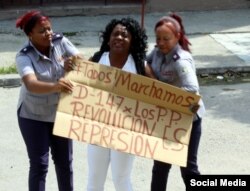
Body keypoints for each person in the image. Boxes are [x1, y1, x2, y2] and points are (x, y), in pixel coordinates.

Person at [15, 10, 80, 191]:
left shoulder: (60, 42)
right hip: (33, 115)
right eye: (42, 31)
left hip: (61, 113)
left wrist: (74, 62)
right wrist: (56, 86)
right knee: (39, 165)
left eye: (49, 29)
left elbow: (82, 60)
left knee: (65, 163)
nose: (48, 34)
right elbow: (31, 84)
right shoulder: (24, 56)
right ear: (30, 35)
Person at [145, 13, 205, 191]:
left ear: (177, 37)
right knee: (160, 167)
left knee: (188, 169)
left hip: (188, 119)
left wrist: (158, 89)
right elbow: (143, 65)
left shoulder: (182, 60)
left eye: (166, 39)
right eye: (158, 38)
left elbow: (192, 89)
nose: (161, 43)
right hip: (166, 118)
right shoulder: (156, 52)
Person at [87, 17, 148, 191]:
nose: (119, 38)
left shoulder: (139, 66)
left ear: (132, 41)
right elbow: (78, 84)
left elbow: (159, 96)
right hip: (97, 130)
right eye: (115, 34)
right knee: (94, 179)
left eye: (124, 35)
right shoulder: (97, 59)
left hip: (125, 132)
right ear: (108, 38)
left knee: (121, 179)